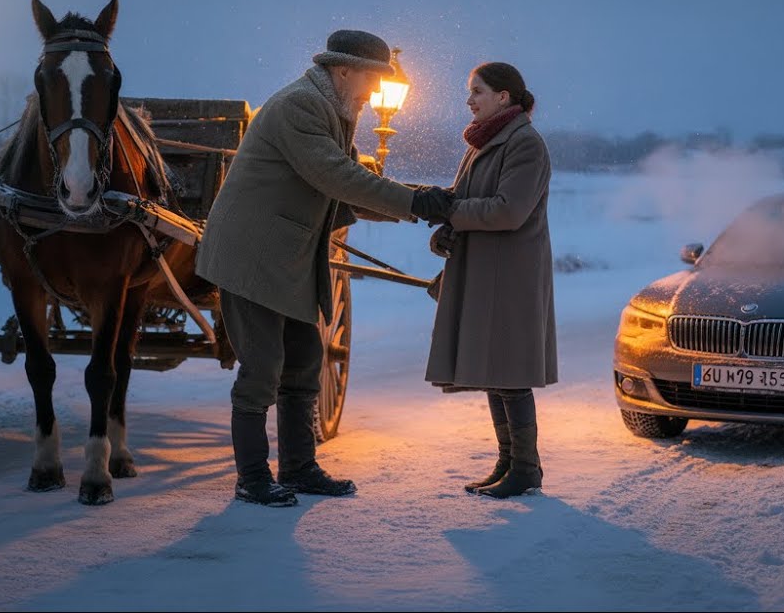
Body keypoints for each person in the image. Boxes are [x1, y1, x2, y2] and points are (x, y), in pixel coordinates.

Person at [197, 30, 454, 507]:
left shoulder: (333, 110)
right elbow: (337, 177)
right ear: (343, 70)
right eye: (372, 80)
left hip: (288, 256)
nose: (374, 93)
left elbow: (353, 183)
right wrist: (417, 202)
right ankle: (252, 478)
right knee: (262, 368)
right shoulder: (301, 106)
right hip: (252, 255)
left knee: (304, 362)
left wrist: (427, 200)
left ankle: (299, 467)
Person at [424, 62, 558, 499]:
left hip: (511, 274)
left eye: (477, 91)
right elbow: (465, 199)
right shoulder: (483, 142)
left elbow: (507, 210)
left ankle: (527, 468)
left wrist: (451, 214)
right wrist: (447, 228)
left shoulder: (525, 144)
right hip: (486, 269)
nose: (469, 100)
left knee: (510, 372)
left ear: (504, 97)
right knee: (495, 371)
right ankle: (508, 462)